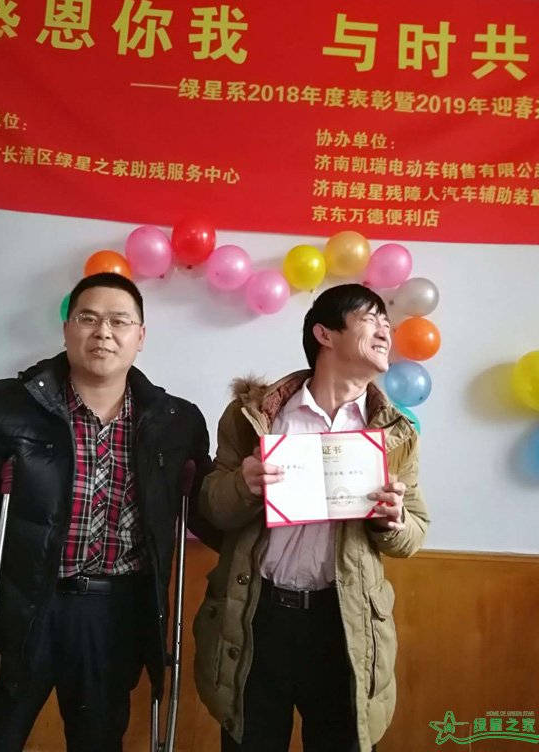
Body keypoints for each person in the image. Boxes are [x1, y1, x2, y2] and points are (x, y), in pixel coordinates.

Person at [0, 272, 212, 752]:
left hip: (115, 617)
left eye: (119, 321)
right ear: (67, 329)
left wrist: (255, 489)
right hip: (17, 610)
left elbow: (207, 513)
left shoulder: (176, 422)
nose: (103, 332)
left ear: (140, 336)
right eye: (88, 318)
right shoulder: (0, 407)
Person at [193, 283, 430, 752]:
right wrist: (243, 485)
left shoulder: (394, 432)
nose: (386, 330)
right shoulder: (254, 416)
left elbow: (415, 532)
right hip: (257, 615)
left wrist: (393, 519)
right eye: (371, 318)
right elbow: (211, 507)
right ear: (325, 334)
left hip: (345, 623)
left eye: (387, 322)